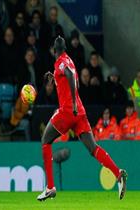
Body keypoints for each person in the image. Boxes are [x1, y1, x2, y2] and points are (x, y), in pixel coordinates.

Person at [37, 36, 127, 201]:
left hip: (68, 111)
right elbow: (73, 81)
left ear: (53, 50)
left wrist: (71, 102)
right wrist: (57, 80)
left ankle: (50, 187)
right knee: (93, 148)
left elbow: (70, 75)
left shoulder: (60, 63)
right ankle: (117, 173)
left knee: (45, 140)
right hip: (80, 112)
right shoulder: (69, 60)